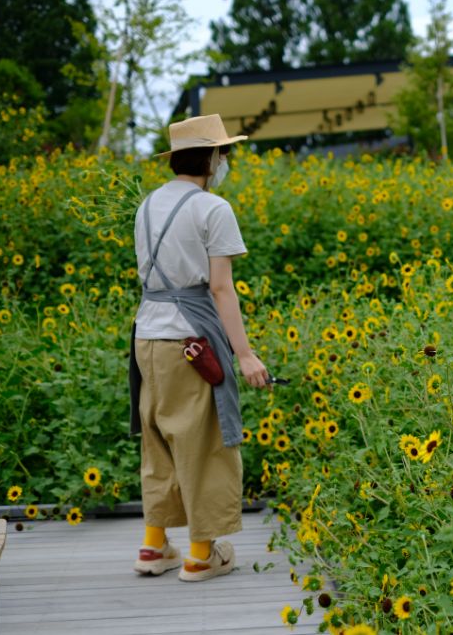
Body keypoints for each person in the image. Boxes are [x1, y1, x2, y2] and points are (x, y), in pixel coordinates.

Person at [128, 113, 270, 582]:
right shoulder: (213, 208)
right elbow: (220, 289)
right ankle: (200, 554)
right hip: (192, 339)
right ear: (210, 158)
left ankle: (153, 547)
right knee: (204, 442)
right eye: (223, 152)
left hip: (147, 337)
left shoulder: (147, 204)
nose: (226, 160)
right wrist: (245, 354)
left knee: (160, 439)